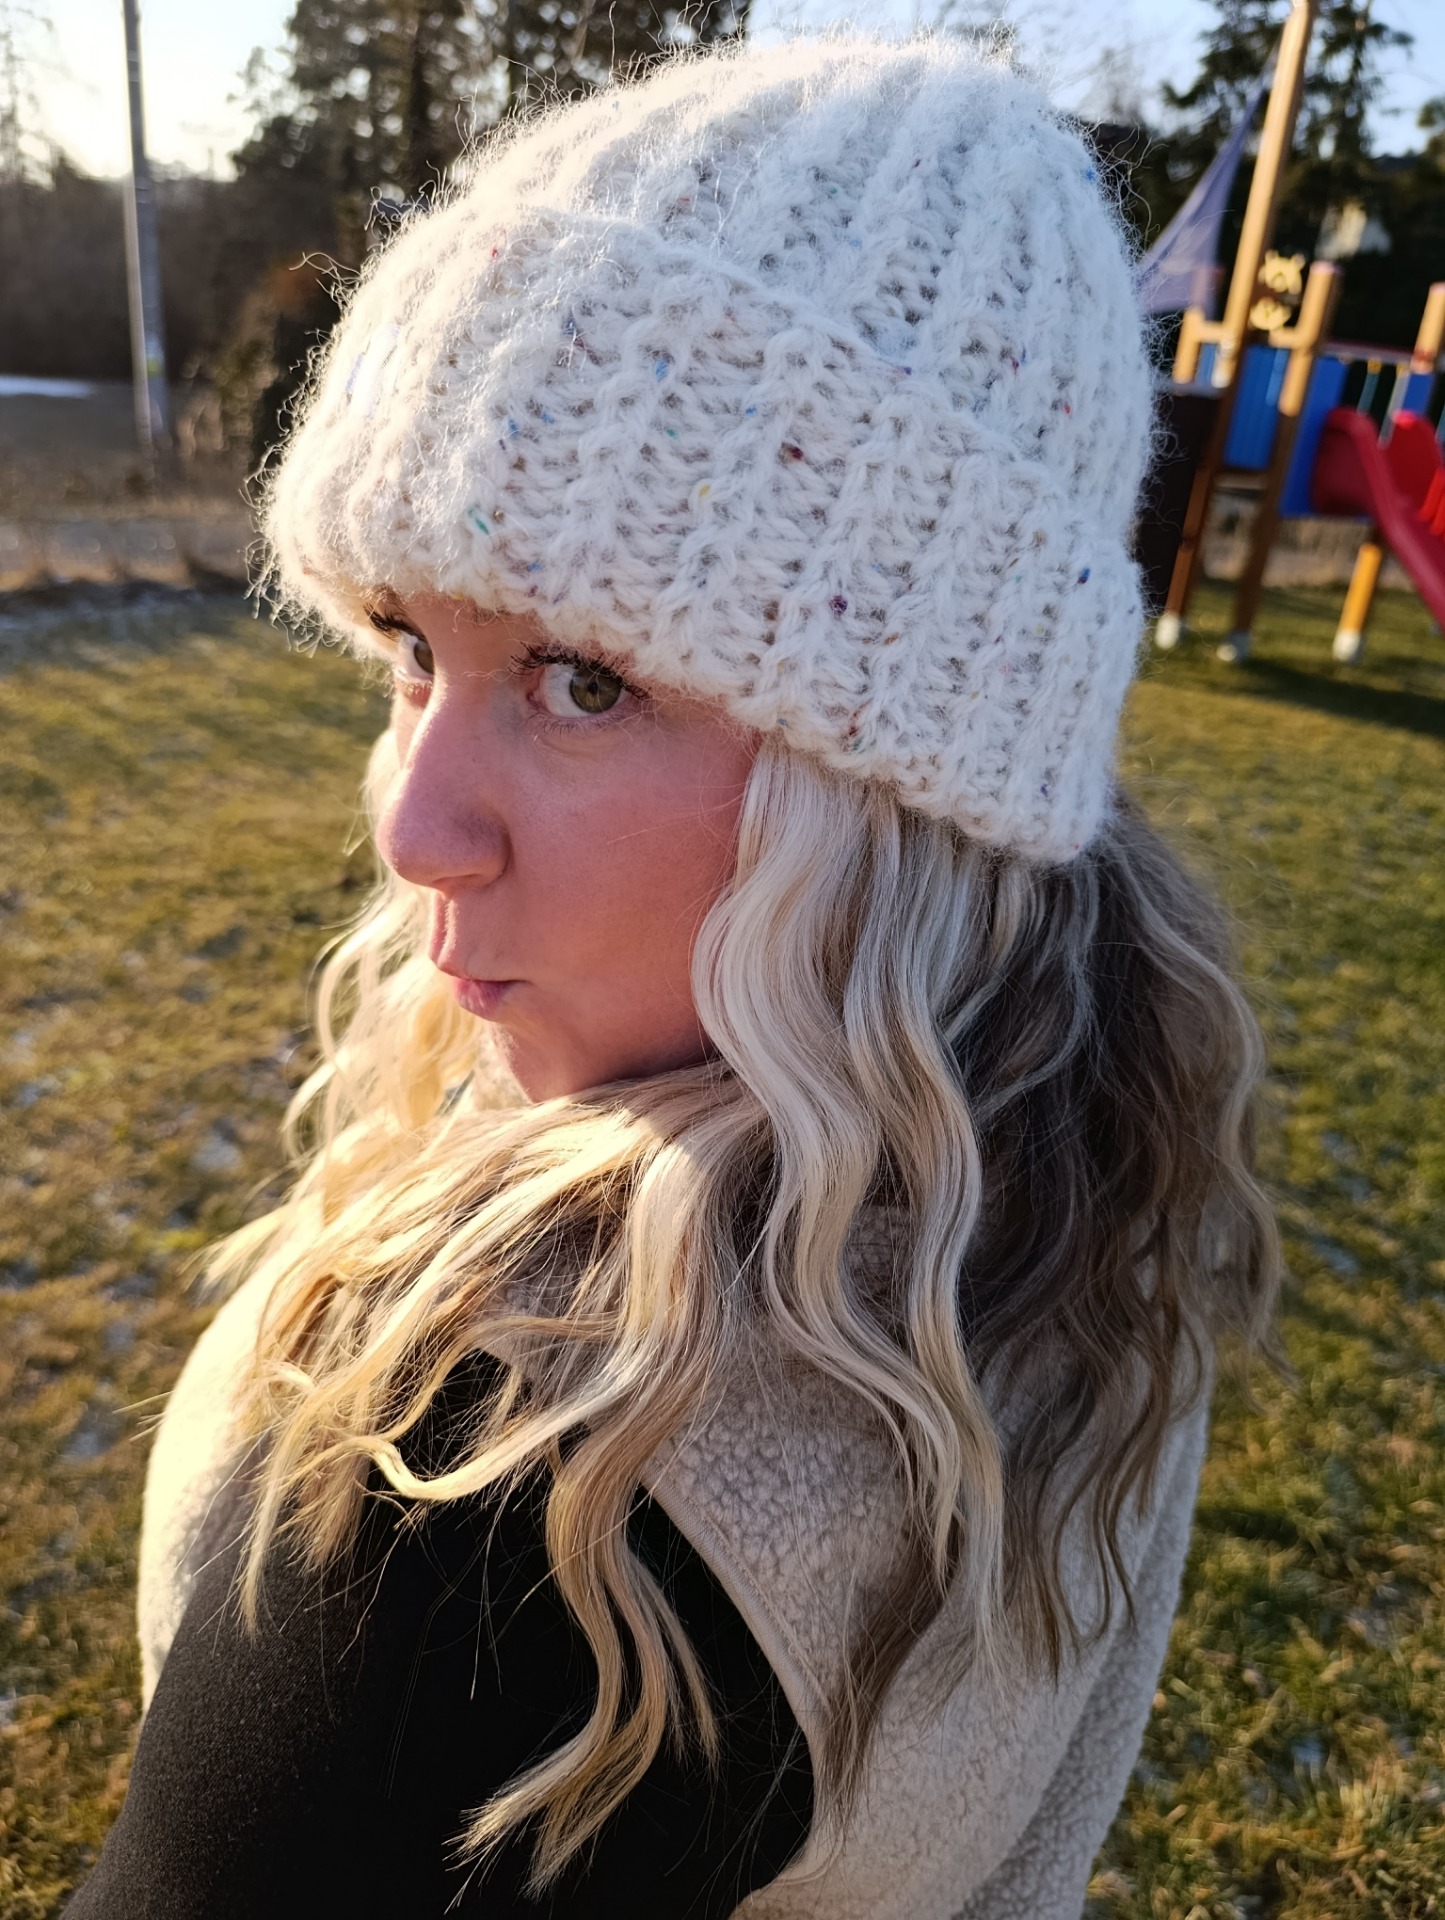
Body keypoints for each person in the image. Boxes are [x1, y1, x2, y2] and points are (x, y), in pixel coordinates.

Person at [68, 33, 1281, 1920]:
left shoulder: (500, 1495)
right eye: (407, 652)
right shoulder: (1077, 1172)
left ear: (901, 789)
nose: (414, 828)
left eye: (584, 679)